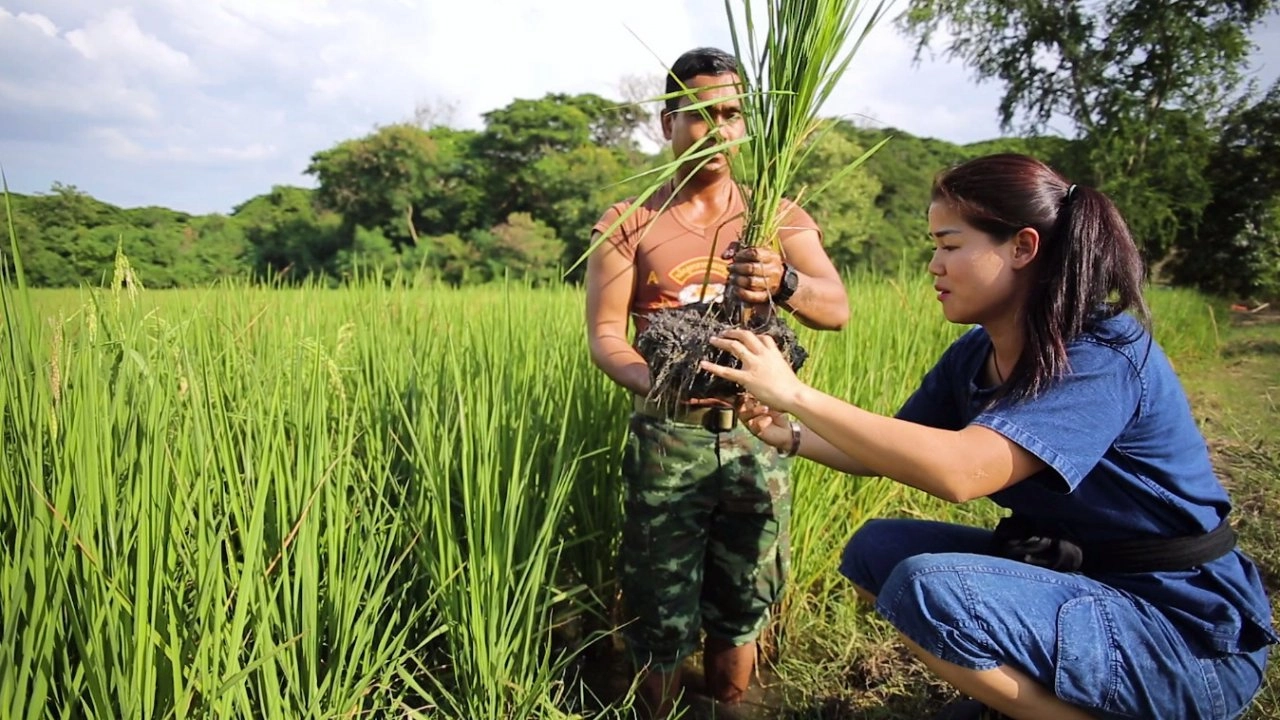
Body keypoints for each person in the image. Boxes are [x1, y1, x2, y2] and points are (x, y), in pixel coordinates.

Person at [699, 153, 1277, 719]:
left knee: (931, 587)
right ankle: (1028, 698)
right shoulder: (979, 352)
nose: (934, 265)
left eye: (950, 245)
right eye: (935, 247)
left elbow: (962, 472)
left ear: (1023, 248)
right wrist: (786, 433)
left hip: (1184, 633)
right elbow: (894, 446)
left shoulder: (1101, 355)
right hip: (1086, 584)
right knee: (877, 551)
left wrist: (794, 393)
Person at [584, 46, 850, 718]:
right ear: (667, 121)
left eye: (732, 114)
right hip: (668, 440)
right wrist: (660, 381)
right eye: (700, 115)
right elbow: (605, 337)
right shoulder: (630, 223)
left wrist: (783, 281)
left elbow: (836, 309)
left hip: (758, 439)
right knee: (660, 613)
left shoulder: (775, 216)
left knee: (744, 605)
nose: (717, 130)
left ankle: (732, 706)